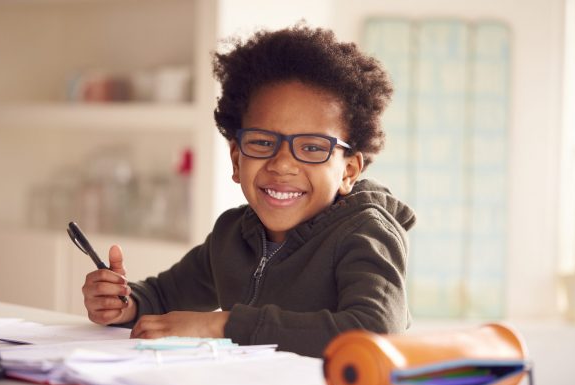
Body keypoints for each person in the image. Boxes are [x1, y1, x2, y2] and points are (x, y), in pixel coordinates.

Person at [81, 24, 416, 358]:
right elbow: (163, 295)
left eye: (313, 148)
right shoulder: (232, 236)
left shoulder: (366, 234)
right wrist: (123, 302)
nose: (282, 164)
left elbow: (375, 332)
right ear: (237, 160)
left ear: (349, 171)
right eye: (262, 142)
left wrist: (223, 326)